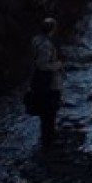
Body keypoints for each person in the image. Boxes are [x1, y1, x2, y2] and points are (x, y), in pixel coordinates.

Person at [31, 19, 63, 147]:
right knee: (50, 110)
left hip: (38, 81)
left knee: (45, 111)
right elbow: (42, 65)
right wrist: (58, 65)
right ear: (52, 30)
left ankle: (47, 136)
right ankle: (48, 139)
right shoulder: (46, 45)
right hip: (48, 83)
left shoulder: (35, 40)